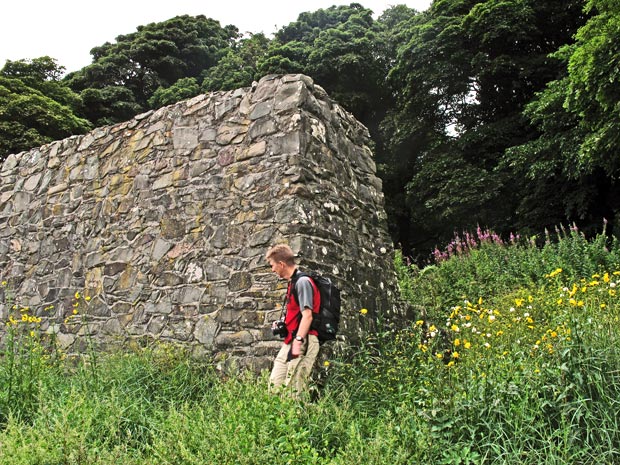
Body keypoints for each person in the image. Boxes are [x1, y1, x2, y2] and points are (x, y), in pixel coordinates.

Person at [266, 243, 320, 397]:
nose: (272, 270)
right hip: (291, 341)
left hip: (301, 340)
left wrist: (297, 342)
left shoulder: (303, 282)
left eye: (272, 265)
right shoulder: (293, 282)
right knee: (274, 386)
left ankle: (299, 419)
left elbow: (307, 316)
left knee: (293, 390)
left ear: (281, 264)